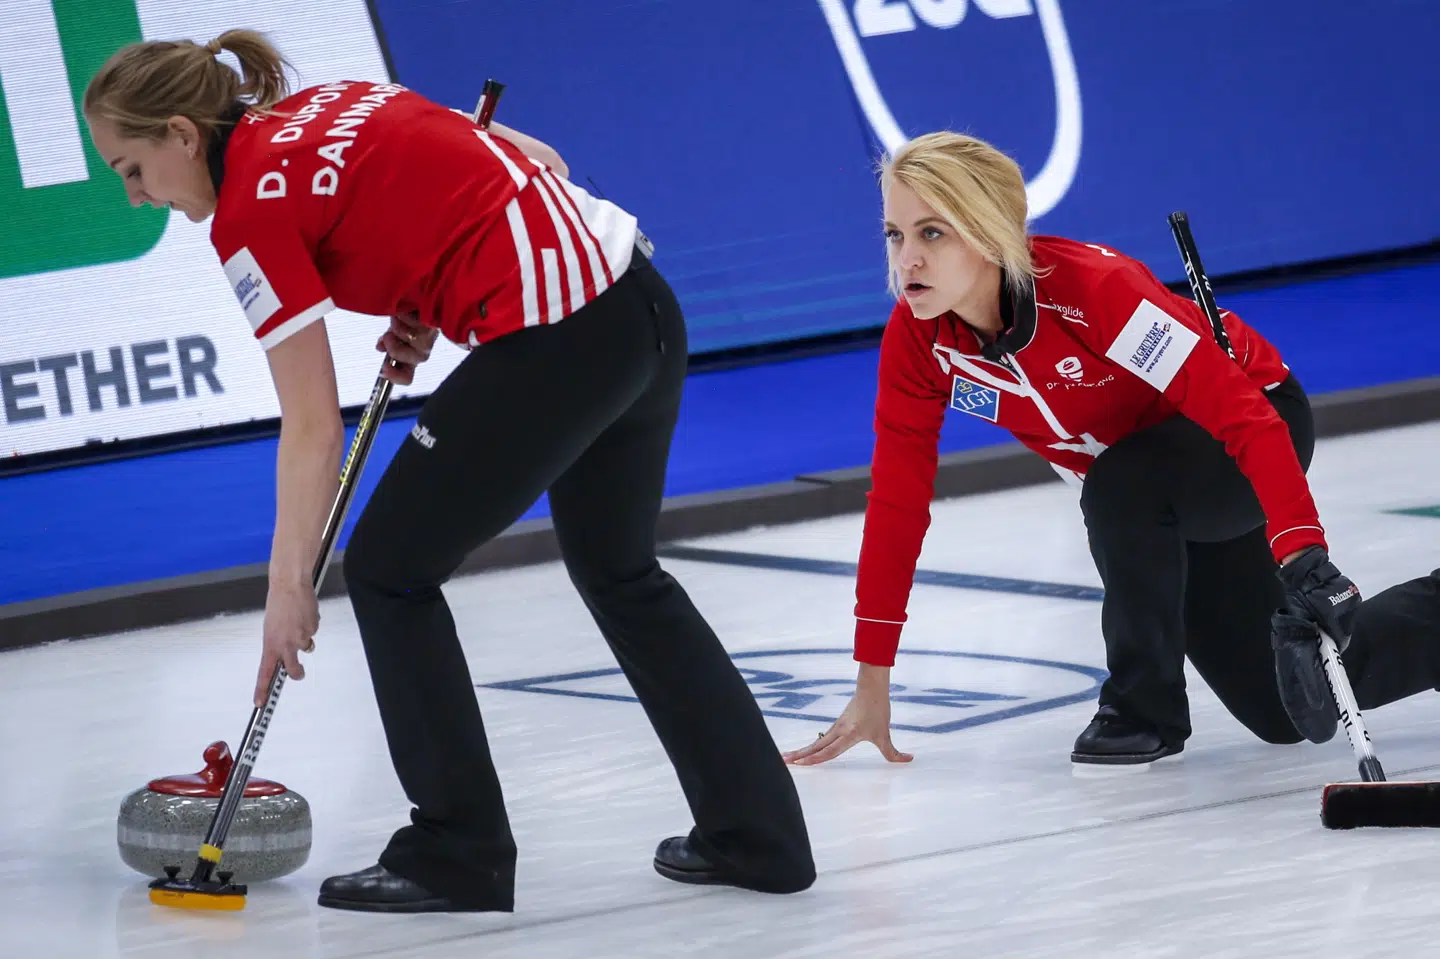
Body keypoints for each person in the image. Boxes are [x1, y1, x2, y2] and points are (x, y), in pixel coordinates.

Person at [83, 30, 815, 912]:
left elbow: (312, 426)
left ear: (181, 134)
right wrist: (429, 288)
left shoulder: (248, 212)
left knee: (389, 569)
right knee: (622, 572)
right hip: (641, 308)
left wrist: (286, 586)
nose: (135, 196)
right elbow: (530, 159)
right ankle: (759, 834)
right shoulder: (332, 101)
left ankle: (455, 848)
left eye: (132, 168)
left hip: (561, 339)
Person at [780, 131, 1440, 769]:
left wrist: (1302, 551)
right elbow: (897, 505)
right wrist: (872, 680)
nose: (906, 260)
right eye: (895, 234)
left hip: (1253, 424)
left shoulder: (1093, 292)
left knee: (1121, 484)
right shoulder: (921, 343)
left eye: (932, 232)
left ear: (989, 232)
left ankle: (1141, 710)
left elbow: (1245, 418)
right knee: (1284, 704)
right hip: (1153, 493)